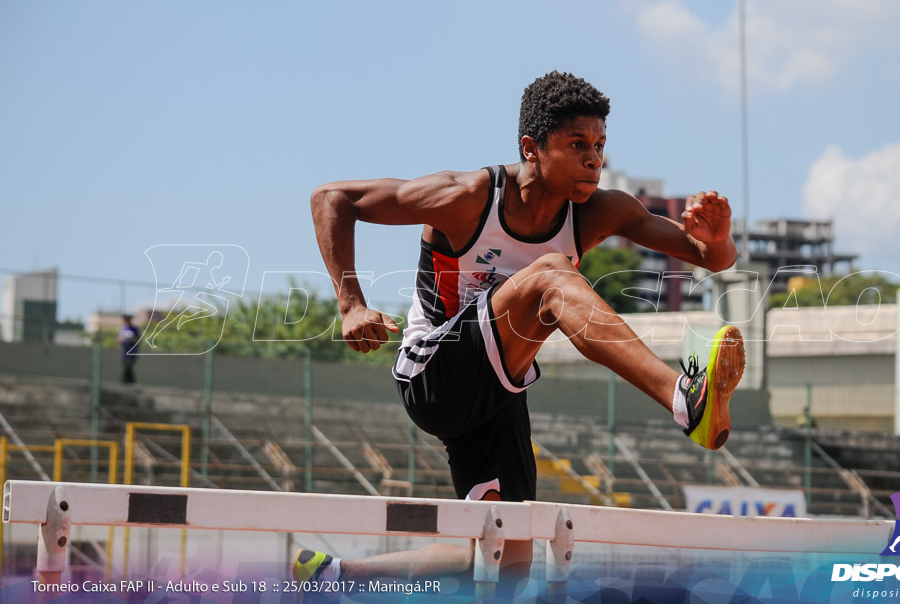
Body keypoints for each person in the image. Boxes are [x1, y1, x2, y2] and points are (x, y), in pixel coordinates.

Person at [294, 71, 746, 589]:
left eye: (599, 145)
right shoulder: (467, 197)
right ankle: (684, 399)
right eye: (577, 145)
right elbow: (331, 198)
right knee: (553, 274)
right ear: (532, 147)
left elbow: (710, 259)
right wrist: (351, 304)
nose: (594, 159)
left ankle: (334, 578)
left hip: (499, 393)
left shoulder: (602, 210)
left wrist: (717, 240)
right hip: (435, 372)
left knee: (508, 556)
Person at [118, 314, 141, 384]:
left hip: (132, 352)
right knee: (125, 366)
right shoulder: (123, 328)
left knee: (129, 367)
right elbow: (119, 339)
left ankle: (126, 381)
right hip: (125, 352)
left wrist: (130, 338)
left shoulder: (135, 329)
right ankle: (129, 382)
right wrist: (122, 339)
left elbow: (138, 340)